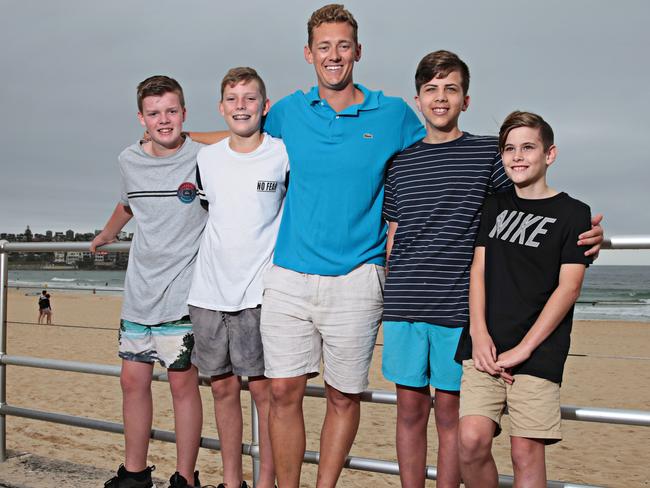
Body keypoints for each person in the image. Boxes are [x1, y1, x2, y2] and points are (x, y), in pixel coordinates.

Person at [381, 51, 603, 488]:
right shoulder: (401, 163)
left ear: (465, 99)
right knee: (408, 412)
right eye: (430, 90)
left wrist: (588, 236)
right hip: (406, 304)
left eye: (451, 89)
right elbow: (394, 235)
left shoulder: (487, 153)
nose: (440, 98)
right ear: (417, 99)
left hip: (458, 310)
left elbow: (531, 198)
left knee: (450, 416)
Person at [455, 111, 592, 488]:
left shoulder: (573, 213)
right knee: (470, 441)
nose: (518, 156)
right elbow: (478, 271)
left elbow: (569, 288)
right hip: (483, 346)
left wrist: (524, 349)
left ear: (550, 154)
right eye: (509, 149)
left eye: (528, 147)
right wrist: (479, 334)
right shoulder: (493, 206)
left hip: (538, 351)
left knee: (525, 452)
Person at [91, 75, 206, 488]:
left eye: (171, 111)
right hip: (139, 291)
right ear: (141, 118)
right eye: (155, 113)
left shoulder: (202, 157)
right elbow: (126, 204)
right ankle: (135, 474)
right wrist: (106, 234)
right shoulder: (128, 160)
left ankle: (184, 477)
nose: (164, 120)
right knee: (132, 381)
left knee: (181, 386)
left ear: (184, 114)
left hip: (182, 292)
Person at [187, 67, 287, 488]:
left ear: (264, 107)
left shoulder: (283, 152)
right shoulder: (205, 158)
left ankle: (265, 481)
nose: (241, 105)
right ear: (221, 108)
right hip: (208, 293)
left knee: (266, 395)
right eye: (232, 98)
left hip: (260, 293)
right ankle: (232, 481)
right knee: (222, 392)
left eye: (250, 98)